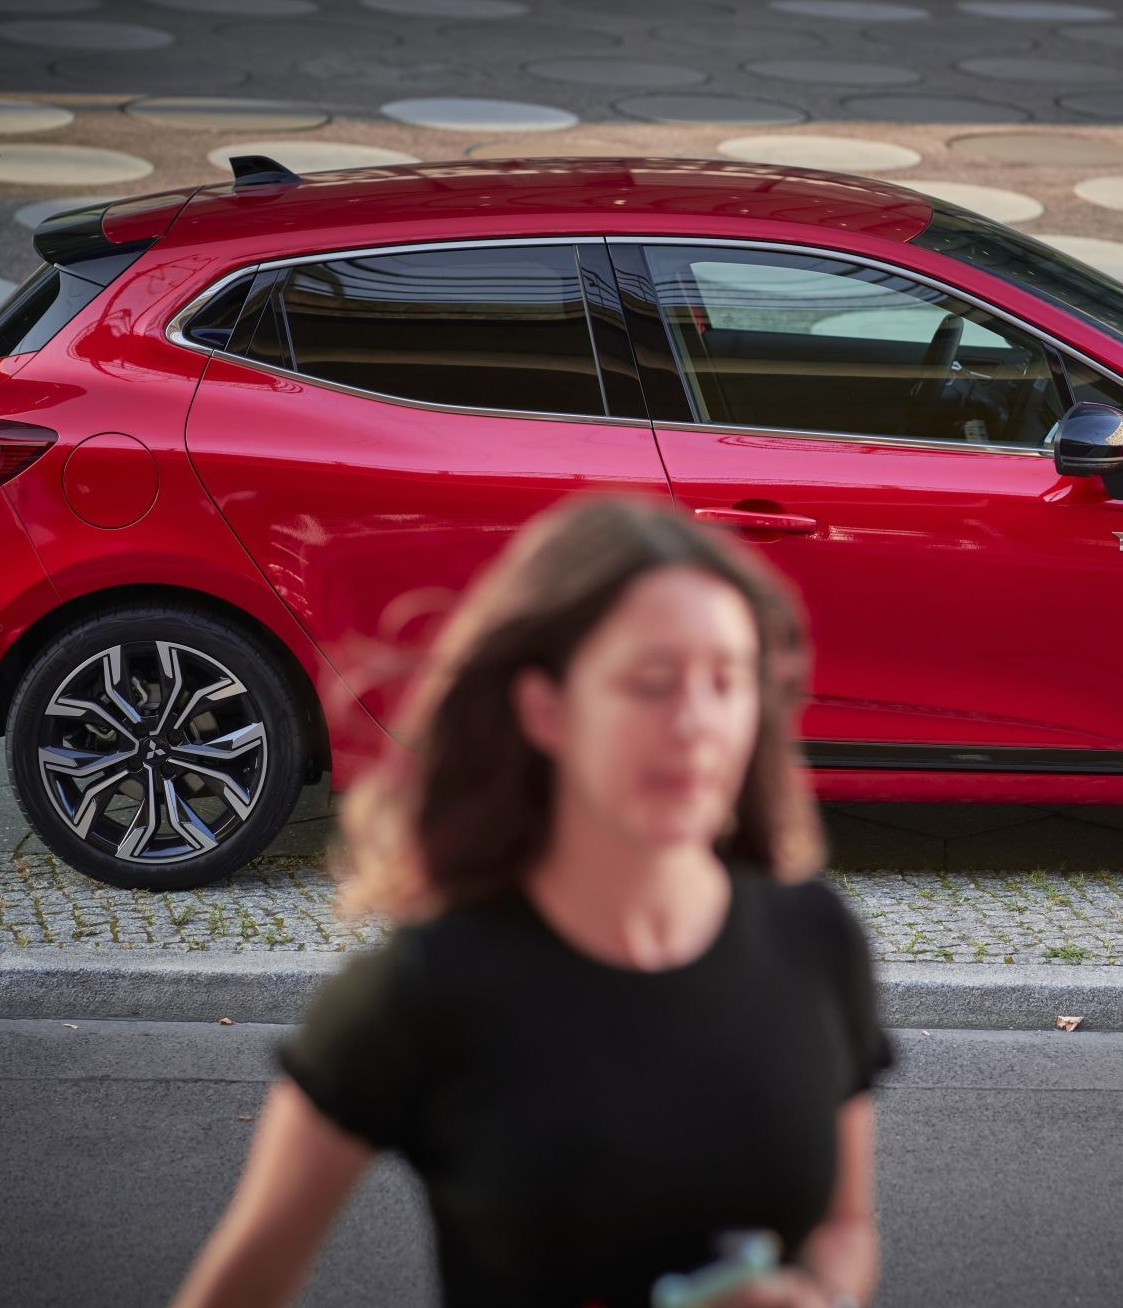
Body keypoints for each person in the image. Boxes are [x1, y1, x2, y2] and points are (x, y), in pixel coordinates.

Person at [172, 492, 892, 1308]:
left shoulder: (816, 939)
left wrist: (821, 1296)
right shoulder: (422, 991)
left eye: (728, 681)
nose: (698, 722)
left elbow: (843, 1226)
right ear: (545, 707)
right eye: (651, 682)